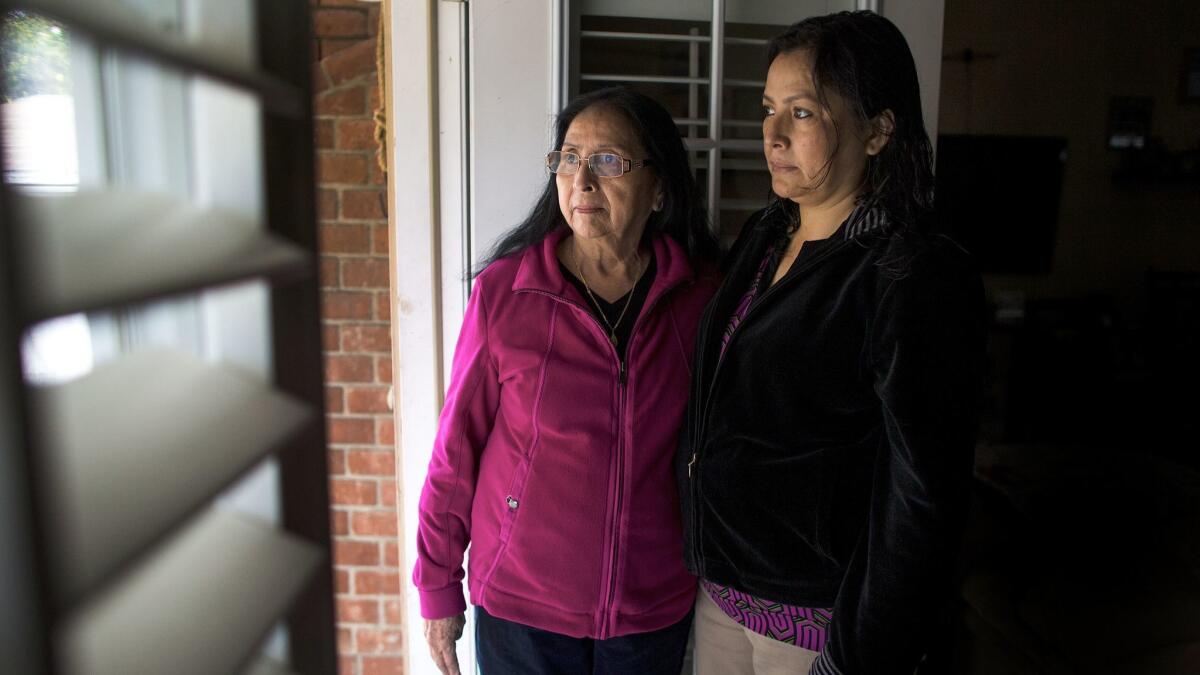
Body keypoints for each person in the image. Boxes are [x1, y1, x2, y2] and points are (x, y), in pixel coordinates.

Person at [678, 11, 987, 675]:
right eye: (768, 109)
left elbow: (923, 491)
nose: (773, 133)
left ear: (878, 130)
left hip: (819, 622)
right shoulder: (766, 235)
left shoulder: (912, 272)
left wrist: (858, 653)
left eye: (804, 112)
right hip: (724, 597)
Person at [414, 86, 719, 675]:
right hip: (523, 608)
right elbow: (456, 448)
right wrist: (437, 586)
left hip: (650, 608)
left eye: (609, 161)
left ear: (659, 188)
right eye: (569, 159)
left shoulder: (702, 301)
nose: (582, 181)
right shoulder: (506, 293)